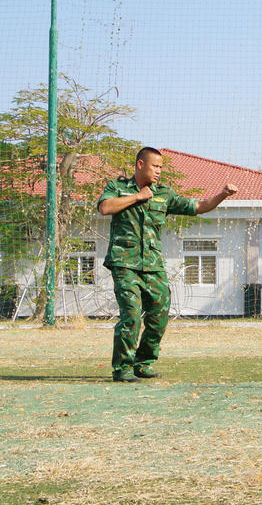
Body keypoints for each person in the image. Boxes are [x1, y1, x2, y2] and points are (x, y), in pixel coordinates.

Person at [98, 147, 238, 382]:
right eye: (155, 166)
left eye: (161, 167)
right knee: (131, 315)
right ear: (141, 164)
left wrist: (222, 194)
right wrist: (137, 197)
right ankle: (122, 368)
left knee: (160, 314)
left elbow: (199, 207)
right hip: (124, 263)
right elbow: (104, 208)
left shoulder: (164, 193)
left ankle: (143, 363)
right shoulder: (118, 187)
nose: (159, 171)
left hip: (153, 264)